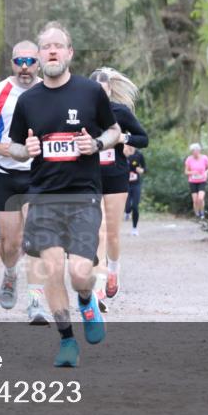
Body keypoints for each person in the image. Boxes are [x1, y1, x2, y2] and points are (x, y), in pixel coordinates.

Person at [8, 21, 121, 367]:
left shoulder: (90, 93)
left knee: (79, 273)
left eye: (59, 46)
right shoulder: (28, 101)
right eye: (46, 47)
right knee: (53, 268)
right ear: (39, 55)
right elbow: (13, 148)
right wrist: (24, 150)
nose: (52, 51)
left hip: (83, 196)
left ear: (70, 53)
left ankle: (86, 301)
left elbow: (115, 131)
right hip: (43, 197)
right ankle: (67, 340)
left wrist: (97, 143)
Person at [0, 41, 51, 325]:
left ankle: (36, 302)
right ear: (12, 63)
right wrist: (2, 149)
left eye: (30, 60)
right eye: (20, 61)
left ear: (38, 62)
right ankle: (10, 274)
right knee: (10, 243)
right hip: (5, 175)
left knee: (36, 237)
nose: (25, 66)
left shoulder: (50, 91)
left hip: (39, 175)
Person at [87, 67, 147, 301]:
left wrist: (124, 138)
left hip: (115, 176)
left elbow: (143, 138)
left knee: (112, 233)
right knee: (97, 230)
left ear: (110, 90)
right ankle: (99, 281)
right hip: (89, 177)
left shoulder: (120, 112)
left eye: (104, 90)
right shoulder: (80, 112)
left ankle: (113, 270)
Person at [185, 143, 208, 218]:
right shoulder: (189, 159)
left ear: (199, 151)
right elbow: (186, 171)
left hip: (202, 180)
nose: (194, 153)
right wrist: (192, 172)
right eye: (193, 151)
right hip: (192, 181)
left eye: (196, 151)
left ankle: (202, 213)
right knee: (195, 200)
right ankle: (197, 214)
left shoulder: (204, 158)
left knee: (200, 198)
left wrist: (206, 172)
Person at [124, 144, 146, 237]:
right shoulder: (122, 154)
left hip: (136, 184)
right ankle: (127, 212)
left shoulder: (139, 155)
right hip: (125, 184)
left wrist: (141, 170)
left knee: (135, 207)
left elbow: (145, 168)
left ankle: (134, 228)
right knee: (128, 207)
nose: (130, 146)